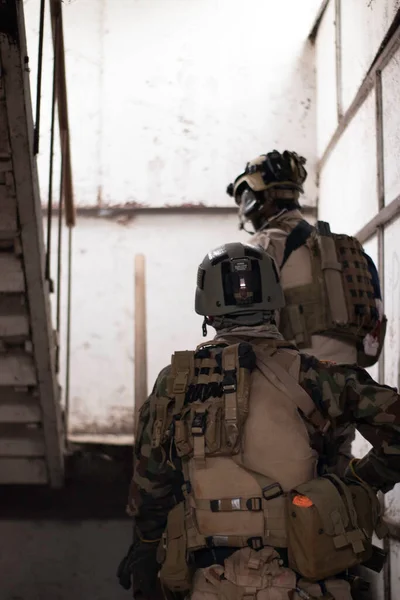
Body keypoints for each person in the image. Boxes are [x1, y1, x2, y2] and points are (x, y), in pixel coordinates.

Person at [118, 242, 399, 600]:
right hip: (309, 581)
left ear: (207, 310)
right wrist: (358, 482)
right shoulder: (319, 378)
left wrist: (143, 551)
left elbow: (151, 487)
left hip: (211, 583)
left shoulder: (174, 383)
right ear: (274, 301)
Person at [226, 151, 386, 366]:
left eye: (247, 199)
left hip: (295, 384)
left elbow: (244, 333)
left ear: (263, 200)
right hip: (351, 384)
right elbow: (372, 341)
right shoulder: (349, 251)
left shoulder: (263, 246)